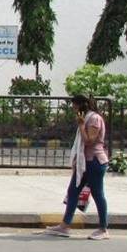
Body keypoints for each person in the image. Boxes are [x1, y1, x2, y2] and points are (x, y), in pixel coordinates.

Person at [43, 94, 110, 240]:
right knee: (73, 192)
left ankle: (103, 229)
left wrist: (80, 125)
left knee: (98, 194)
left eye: (74, 105)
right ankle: (64, 226)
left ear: (81, 105)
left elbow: (89, 141)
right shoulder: (86, 118)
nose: (73, 108)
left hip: (95, 161)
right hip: (84, 163)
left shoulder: (94, 118)